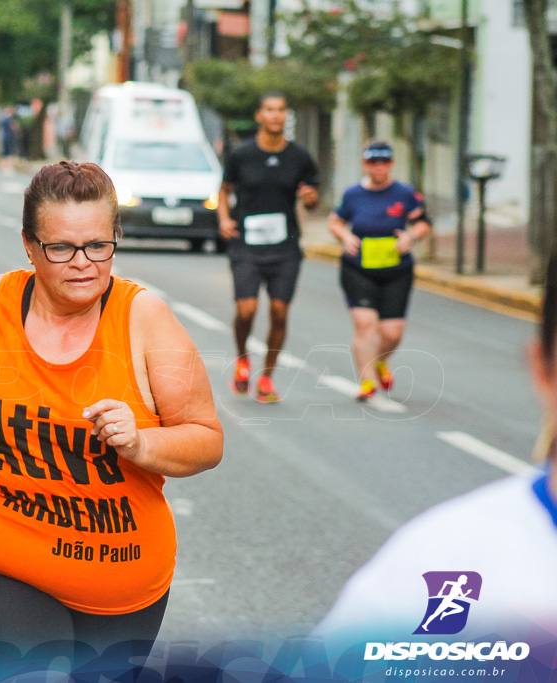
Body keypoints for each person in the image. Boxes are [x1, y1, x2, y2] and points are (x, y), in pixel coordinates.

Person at [0, 161, 224, 674]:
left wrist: (142, 443)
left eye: (99, 246)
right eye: (61, 249)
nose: (83, 263)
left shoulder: (144, 320)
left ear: (115, 239)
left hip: (122, 585)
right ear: (30, 246)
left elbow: (207, 440)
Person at [314, 252, 557, 642]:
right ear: (542, 369)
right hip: (362, 273)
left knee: (390, 332)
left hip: (394, 275)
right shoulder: (441, 564)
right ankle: (367, 377)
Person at [218, 93, 320, 403]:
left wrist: (310, 198)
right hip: (246, 244)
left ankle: (267, 376)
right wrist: (223, 219)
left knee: (279, 312)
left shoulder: (300, 157)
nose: (276, 116)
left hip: (285, 245)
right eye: (270, 110)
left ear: (286, 116)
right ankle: (242, 358)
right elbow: (224, 190)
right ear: (260, 115)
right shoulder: (242, 155)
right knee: (246, 310)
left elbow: (313, 196)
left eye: (281, 111)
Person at [327, 141, 432, 401]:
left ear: (391, 164)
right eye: (373, 162)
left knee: (392, 333)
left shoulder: (405, 193)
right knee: (365, 325)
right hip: (358, 267)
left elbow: (422, 223)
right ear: (365, 164)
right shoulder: (353, 194)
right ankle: (367, 382)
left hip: (396, 269)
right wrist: (345, 236)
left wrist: (411, 237)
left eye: (384, 162)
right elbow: (335, 221)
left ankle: (380, 362)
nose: (379, 167)